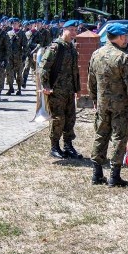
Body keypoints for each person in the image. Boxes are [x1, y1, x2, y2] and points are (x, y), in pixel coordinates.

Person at [88, 23, 128, 187]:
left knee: (101, 134)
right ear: (118, 37)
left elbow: (91, 80)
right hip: (121, 105)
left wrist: (95, 99)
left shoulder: (96, 54)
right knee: (120, 137)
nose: (127, 39)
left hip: (103, 104)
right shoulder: (124, 58)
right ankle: (114, 176)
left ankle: (96, 174)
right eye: (125, 36)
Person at [39, 19, 82, 159]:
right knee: (58, 119)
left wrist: (78, 89)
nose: (74, 33)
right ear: (64, 30)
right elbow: (43, 68)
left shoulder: (71, 47)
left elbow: (75, 70)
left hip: (69, 90)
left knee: (70, 119)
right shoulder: (56, 47)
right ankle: (54, 146)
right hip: (56, 90)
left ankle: (68, 146)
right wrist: (45, 86)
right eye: (72, 30)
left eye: (76, 30)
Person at [6, 17, 27, 95]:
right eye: (13, 23)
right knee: (9, 73)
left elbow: (25, 45)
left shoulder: (22, 34)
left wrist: (24, 54)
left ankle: (19, 89)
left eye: (16, 23)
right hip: (10, 57)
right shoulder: (8, 33)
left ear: (19, 24)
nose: (14, 25)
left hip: (19, 57)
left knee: (19, 74)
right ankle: (11, 88)